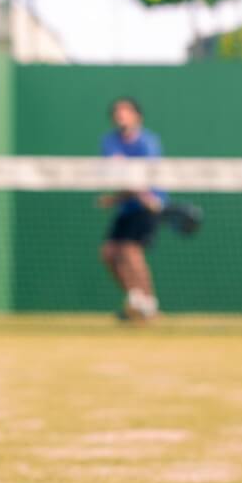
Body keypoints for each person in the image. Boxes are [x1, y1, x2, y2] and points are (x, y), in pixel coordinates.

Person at [98, 97, 166, 321]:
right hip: (127, 207)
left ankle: (150, 305)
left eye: (125, 111)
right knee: (108, 253)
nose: (121, 116)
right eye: (117, 112)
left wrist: (144, 197)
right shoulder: (110, 142)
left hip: (149, 206)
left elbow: (146, 177)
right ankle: (136, 300)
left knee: (130, 250)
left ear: (137, 116)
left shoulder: (148, 142)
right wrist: (119, 198)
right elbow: (122, 175)